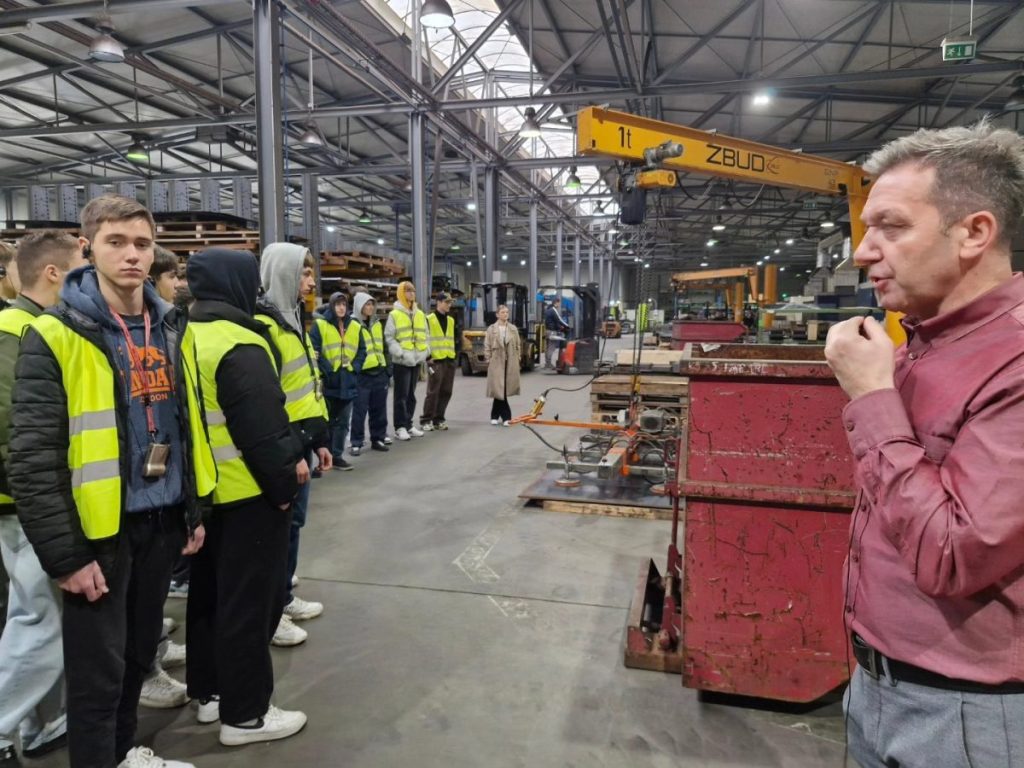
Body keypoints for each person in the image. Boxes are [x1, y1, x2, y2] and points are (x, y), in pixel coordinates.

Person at [823, 122, 1024, 768]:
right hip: (878, 684)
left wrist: (871, 397)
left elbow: (954, 554)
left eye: (891, 226)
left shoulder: (1015, 363)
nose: (863, 252)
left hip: (967, 718)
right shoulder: (921, 344)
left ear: (974, 233)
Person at [8, 195, 211, 768]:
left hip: (162, 520)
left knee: (138, 656)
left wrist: (193, 510)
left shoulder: (170, 325)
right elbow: (33, 456)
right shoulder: (56, 333)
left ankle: (123, 754)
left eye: (142, 244)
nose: (131, 255)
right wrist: (67, 555)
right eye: (116, 242)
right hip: (100, 533)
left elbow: (187, 423)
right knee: (96, 675)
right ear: (87, 247)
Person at [182, 247, 308, 748]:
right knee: (249, 609)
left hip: (204, 497)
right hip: (248, 497)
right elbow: (265, 432)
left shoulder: (185, 334)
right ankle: (247, 715)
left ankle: (210, 694)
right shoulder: (241, 343)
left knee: (208, 600)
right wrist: (283, 489)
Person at [0, 231, 87, 768]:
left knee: (37, 617)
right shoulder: (18, 331)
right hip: (26, 505)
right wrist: (42, 499)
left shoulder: (39, 326)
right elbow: (13, 432)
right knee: (41, 624)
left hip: (30, 501)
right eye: (81, 264)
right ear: (54, 273)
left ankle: (39, 726)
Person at [255, 244, 332, 644]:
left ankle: (282, 597)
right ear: (284, 274)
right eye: (304, 273)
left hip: (301, 442)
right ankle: (272, 612)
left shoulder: (295, 321)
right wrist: (289, 454)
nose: (311, 282)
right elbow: (266, 403)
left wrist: (319, 441)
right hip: (283, 448)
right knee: (276, 531)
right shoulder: (265, 327)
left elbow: (307, 387)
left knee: (293, 526)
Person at [309, 292, 356, 469]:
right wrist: (328, 371)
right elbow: (314, 351)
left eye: (344, 304)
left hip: (348, 380)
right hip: (330, 382)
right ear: (331, 306)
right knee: (327, 422)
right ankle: (325, 456)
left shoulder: (354, 326)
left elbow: (361, 350)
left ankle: (336, 456)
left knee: (343, 422)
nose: (341, 308)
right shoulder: (320, 325)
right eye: (338, 304)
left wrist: (355, 368)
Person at [346, 292, 391, 455]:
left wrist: (388, 369)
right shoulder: (351, 324)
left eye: (372, 304)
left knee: (379, 409)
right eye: (367, 304)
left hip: (379, 373)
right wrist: (354, 370)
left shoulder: (377, 323)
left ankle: (378, 438)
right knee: (359, 411)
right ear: (359, 306)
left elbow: (384, 347)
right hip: (362, 375)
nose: (371, 307)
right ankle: (356, 442)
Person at [385, 281, 428, 441]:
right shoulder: (394, 314)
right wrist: (400, 353)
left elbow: (426, 334)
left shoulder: (420, 314)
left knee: (411, 395)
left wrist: (425, 351)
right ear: (401, 293)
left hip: (416, 360)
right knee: (401, 396)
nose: (411, 294)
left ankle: (409, 424)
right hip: (402, 361)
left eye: (413, 291)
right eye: (408, 291)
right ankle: (400, 427)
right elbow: (389, 337)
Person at [419, 292, 456, 432]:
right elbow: (423, 339)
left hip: (449, 359)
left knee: (446, 391)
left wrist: (455, 356)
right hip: (436, 360)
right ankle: (426, 420)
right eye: (446, 302)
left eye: (450, 302)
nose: (449, 305)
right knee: (433, 391)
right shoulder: (429, 319)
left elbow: (453, 338)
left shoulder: (451, 320)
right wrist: (428, 357)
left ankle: (439, 419)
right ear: (438, 302)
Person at [484, 304, 521, 426]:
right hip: (496, 363)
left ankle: (494, 415)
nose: (505, 314)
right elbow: (487, 345)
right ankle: (506, 417)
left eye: (507, 312)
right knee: (500, 389)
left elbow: (518, 345)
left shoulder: (513, 329)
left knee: (502, 389)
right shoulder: (491, 329)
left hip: (510, 362)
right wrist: (488, 359)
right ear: (497, 314)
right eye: (503, 312)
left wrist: (518, 358)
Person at [543, 296, 570, 369]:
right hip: (552, 332)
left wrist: (560, 327)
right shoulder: (553, 310)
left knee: (548, 347)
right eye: (558, 303)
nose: (559, 305)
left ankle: (547, 363)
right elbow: (559, 319)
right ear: (556, 303)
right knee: (551, 348)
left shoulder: (548, 310)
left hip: (548, 331)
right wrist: (567, 326)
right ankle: (548, 364)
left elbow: (553, 321)